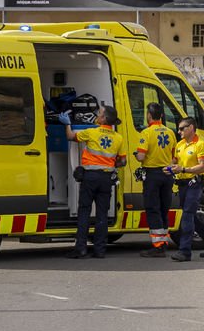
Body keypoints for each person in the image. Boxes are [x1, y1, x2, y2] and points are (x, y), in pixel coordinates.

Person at [60, 105, 125, 259]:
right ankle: (100, 250)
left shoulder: (92, 132)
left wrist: (67, 123)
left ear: (104, 119)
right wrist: (109, 164)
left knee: (84, 212)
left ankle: (81, 249)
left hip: (90, 178)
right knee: (102, 214)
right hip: (106, 179)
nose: (97, 115)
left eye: (100, 113)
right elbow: (122, 161)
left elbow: (70, 136)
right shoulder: (118, 138)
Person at [170, 117, 204, 262]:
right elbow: (175, 161)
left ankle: (185, 251)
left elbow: (203, 166)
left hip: (195, 183)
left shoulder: (200, 144)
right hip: (182, 184)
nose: (179, 131)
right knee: (192, 217)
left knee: (187, 215)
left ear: (191, 127)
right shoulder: (180, 145)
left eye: (182, 128)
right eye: (178, 129)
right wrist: (169, 168)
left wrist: (184, 169)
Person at [134, 102, 176, 255]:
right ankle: (163, 242)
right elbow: (174, 157)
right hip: (167, 174)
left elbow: (141, 156)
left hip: (152, 175)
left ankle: (157, 247)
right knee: (164, 209)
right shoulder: (170, 132)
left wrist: (136, 154)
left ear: (149, 116)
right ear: (162, 116)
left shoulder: (146, 133)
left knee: (153, 209)